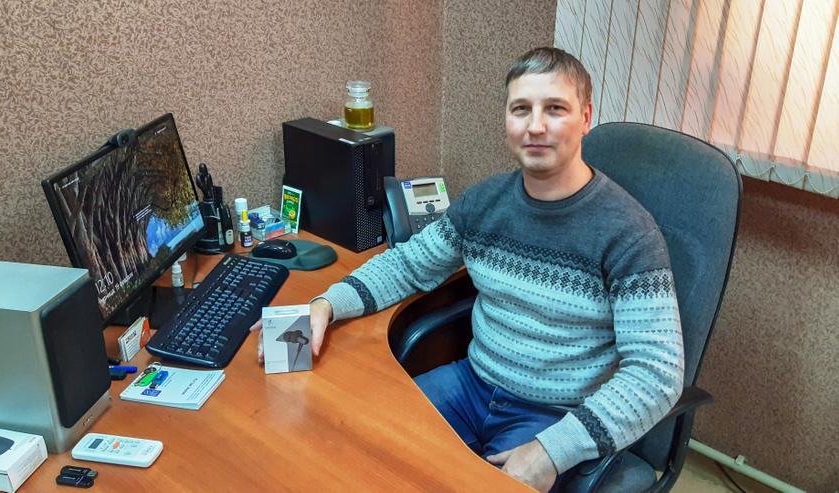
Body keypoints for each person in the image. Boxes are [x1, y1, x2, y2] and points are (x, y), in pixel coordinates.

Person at [253, 47, 684, 492]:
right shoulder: (484, 204)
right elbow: (407, 265)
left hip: (557, 416)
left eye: (555, 109)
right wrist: (325, 304)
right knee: (361, 446)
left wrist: (553, 450)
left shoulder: (627, 232)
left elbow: (657, 373)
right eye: (521, 109)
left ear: (586, 117)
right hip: (472, 385)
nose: (535, 126)